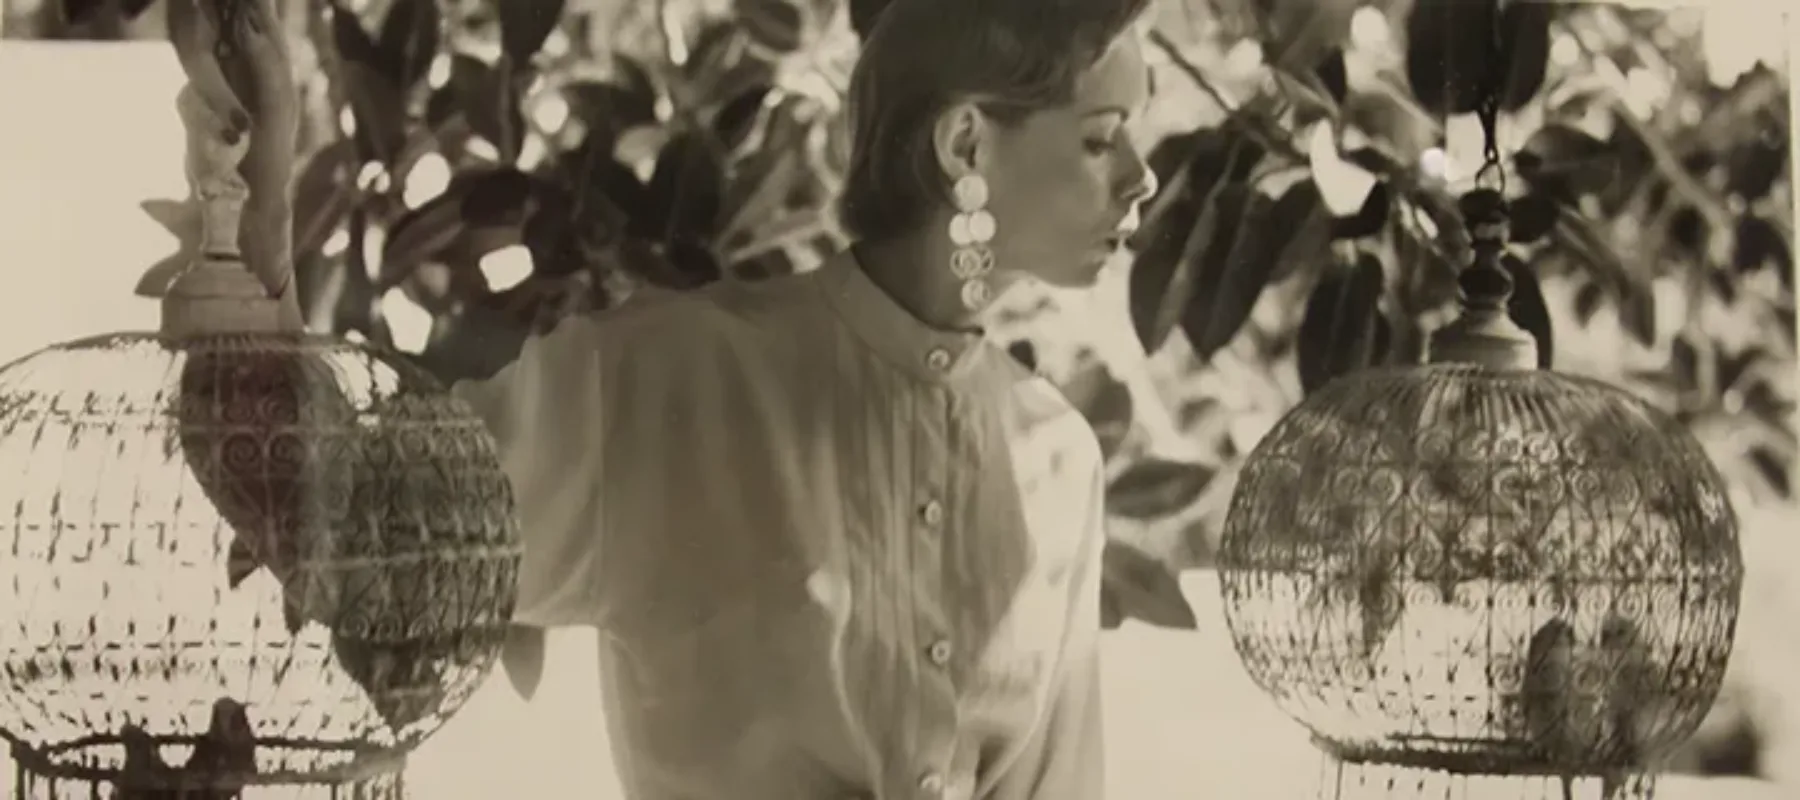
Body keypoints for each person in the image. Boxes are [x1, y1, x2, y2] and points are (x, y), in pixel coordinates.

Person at [452, 0, 1158, 796]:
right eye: (1101, 138)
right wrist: (275, 278)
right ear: (966, 144)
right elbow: (356, 507)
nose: (1143, 176)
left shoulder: (1060, 459)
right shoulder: (664, 379)